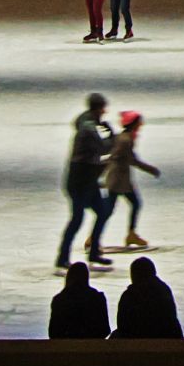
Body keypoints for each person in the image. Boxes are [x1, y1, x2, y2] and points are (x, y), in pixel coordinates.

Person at [57, 92, 118, 271]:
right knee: (77, 219)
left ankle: (93, 252)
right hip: (80, 181)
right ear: (98, 109)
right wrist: (112, 136)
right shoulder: (88, 129)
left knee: (102, 211)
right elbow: (103, 147)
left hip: (86, 179)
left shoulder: (86, 121)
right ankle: (62, 258)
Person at [103, 110, 161, 251]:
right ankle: (129, 234)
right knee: (128, 205)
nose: (140, 125)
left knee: (111, 208)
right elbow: (131, 160)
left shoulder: (124, 137)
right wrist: (150, 169)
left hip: (119, 179)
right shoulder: (126, 139)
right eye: (138, 123)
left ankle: (130, 234)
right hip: (118, 180)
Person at [114, 255, 184, 338]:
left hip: (136, 344)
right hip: (167, 343)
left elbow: (122, 325)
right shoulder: (164, 291)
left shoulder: (129, 295)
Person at [48, 262, 110, 338]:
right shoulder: (97, 297)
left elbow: (53, 333)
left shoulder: (59, 299)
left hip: (65, 347)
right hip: (92, 346)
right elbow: (105, 330)